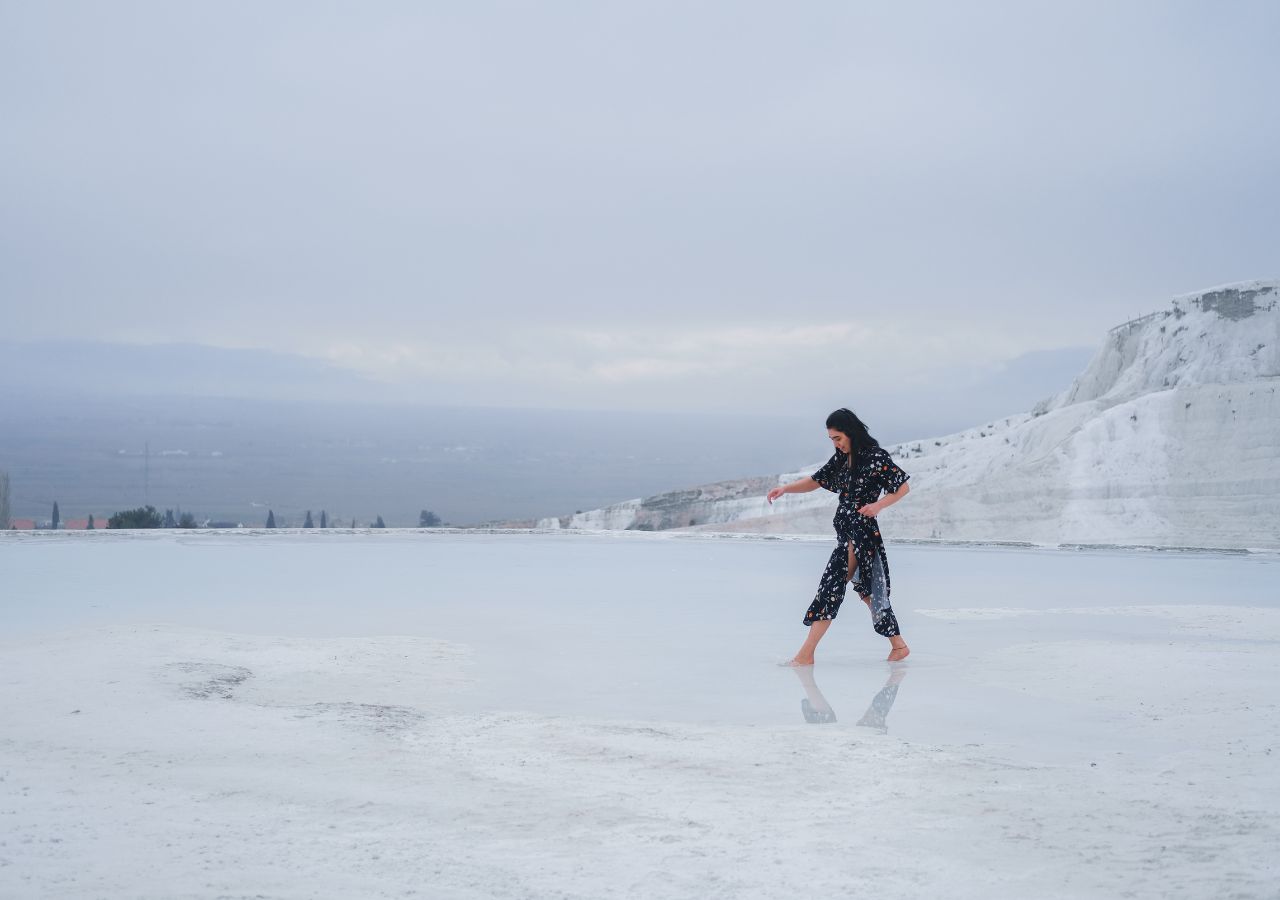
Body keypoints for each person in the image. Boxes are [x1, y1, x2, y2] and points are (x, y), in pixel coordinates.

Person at [767, 408, 912, 665]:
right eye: (832, 439)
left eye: (838, 438)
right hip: (846, 533)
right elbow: (816, 480)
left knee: (830, 587)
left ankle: (805, 655)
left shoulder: (875, 457)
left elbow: (902, 487)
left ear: (851, 432)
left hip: (861, 535)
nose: (836, 444)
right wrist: (785, 489)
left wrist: (877, 506)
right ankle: (899, 646)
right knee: (866, 592)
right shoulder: (843, 458)